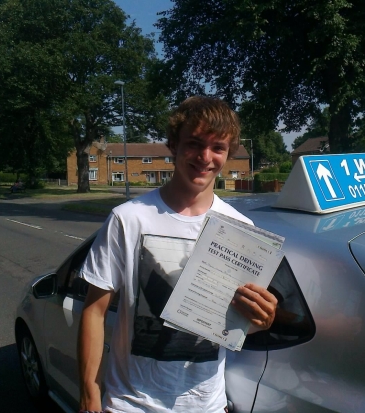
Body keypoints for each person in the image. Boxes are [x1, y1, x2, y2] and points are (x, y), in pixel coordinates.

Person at [78, 96, 278, 413]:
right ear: (173, 144)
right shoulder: (128, 219)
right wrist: (90, 392)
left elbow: (233, 323)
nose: (205, 157)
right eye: (194, 143)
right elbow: (93, 310)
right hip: (131, 403)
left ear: (229, 153)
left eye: (218, 148)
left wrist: (262, 319)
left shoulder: (241, 230)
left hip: (205, 404)